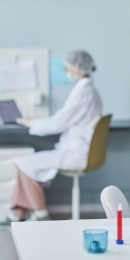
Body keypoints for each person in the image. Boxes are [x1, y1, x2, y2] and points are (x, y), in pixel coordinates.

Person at [0, 50, 103, 224]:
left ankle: (41, 215)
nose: (66, 72)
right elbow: (63, 118)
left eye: (68, 68)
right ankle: (17, 213)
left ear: (77, 69)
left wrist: (30, 123)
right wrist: (35, 122)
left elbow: (58, 123)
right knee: (27, 164)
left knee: (23, 164)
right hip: (75, 148)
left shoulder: (83, 92)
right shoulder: (87, 89)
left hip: (76, 152)